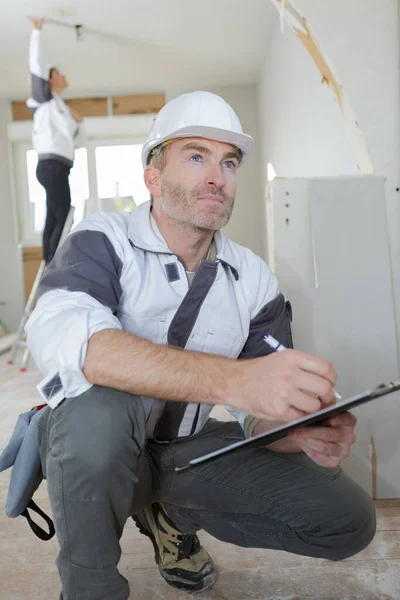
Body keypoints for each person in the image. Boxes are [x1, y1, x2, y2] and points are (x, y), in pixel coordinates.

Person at [26, 91, 376, 600]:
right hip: (92, 449)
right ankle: (90, 586)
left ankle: (169, 510)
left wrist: (298, 429)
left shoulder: (252, 279)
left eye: (228, 162)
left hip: (182, 454)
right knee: (97, 412)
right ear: (152, 177)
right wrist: (235, 379)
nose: (218, 177)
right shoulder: (102, 239)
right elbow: (77, 344)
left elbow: (260, 420)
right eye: (196, 157)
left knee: (348, 520)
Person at [27, 16, 85, 265]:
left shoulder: (61, 108)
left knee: (55, 215)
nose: (63, 75)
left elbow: (78, 144)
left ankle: (48, 258)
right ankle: (53, 260)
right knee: (63, 212)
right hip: (51, 166)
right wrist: (36, 33)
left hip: (60, 168)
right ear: (50, 81)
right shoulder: (45, 100)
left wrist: (80, 123)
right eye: (58, 72)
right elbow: (36, 67)